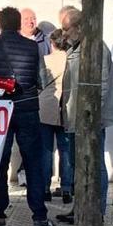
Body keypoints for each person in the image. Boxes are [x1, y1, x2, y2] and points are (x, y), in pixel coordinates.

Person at [0, 6, 55, 226]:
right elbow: (40, 77)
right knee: (33, 162)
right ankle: (39, 217)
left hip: (0, 109)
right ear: (19, 23)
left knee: (0, 161)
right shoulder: (33, 46)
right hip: (28, 108)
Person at [56, 7, 113, 224]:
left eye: (66, 28)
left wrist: (91, 115)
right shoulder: (77, 46)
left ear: (79, 27)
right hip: (74, 117)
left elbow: (100, 84)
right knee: (76, 163)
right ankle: (80, 207)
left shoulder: (95, 48)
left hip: (88, 119)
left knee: (95, 164)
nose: (63, 33)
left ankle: (96, 211)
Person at [40, 29, 72, 205]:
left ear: (52, 43)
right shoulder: (70, 60)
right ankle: (66, 188)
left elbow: (39, 84)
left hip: (45, 108)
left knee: (46, 150)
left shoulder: (45, 61)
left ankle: (45, 188)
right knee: (65, 150)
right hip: (65, 107)